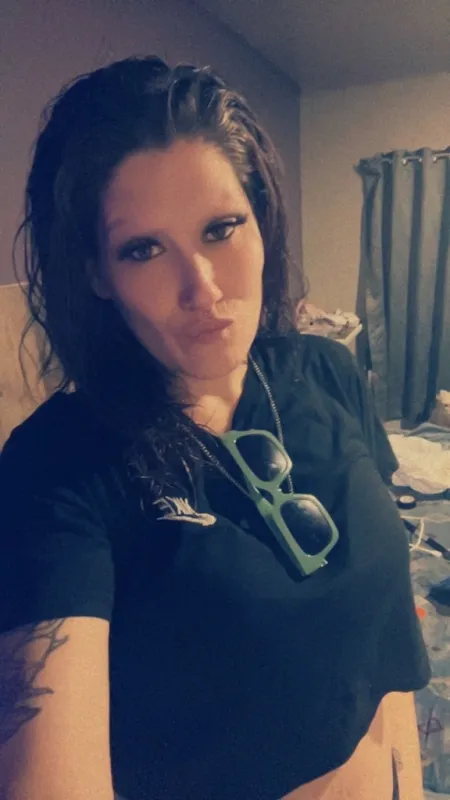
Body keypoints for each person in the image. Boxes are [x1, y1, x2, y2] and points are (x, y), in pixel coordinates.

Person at [0, 56, 429, 800]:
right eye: (144, 249)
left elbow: (388, 627)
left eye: (221, 228)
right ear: (97, 273)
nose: (201, 288)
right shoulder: (57, 465)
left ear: (260, 220)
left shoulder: (326, 371)